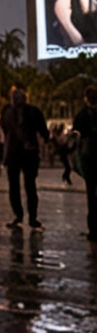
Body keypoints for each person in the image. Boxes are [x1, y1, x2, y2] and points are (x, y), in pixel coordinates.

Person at [3, 86, 48, 230]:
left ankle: (22, 216)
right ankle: (29, 218)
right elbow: (43, 131)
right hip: (24, 154)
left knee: (19, 187)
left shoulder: (9, 113)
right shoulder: (32, 112)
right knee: (27, 186)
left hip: (19, 154)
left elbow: (6, 130)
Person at [72, 86, 97, 242]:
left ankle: (92, 227)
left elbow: (76, 131)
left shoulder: (82, 114)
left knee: (91, 193)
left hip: (89, 157)